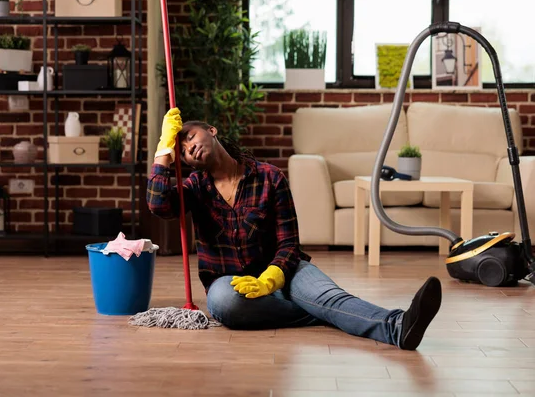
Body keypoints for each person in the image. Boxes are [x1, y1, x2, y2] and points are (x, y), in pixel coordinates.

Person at [147, 108, 442, 350]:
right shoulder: (195, 189)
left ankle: (398, 327)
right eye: (182, 151)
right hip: (229, 282)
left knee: (331, 298)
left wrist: (273, 277)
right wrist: (164, 149)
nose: (189, 147)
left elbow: (288, 243)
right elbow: (159, 205)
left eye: (190, 137)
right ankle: (326, 312)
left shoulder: (269, 177)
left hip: (287, 271)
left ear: (211, 130)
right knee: (225, 304)